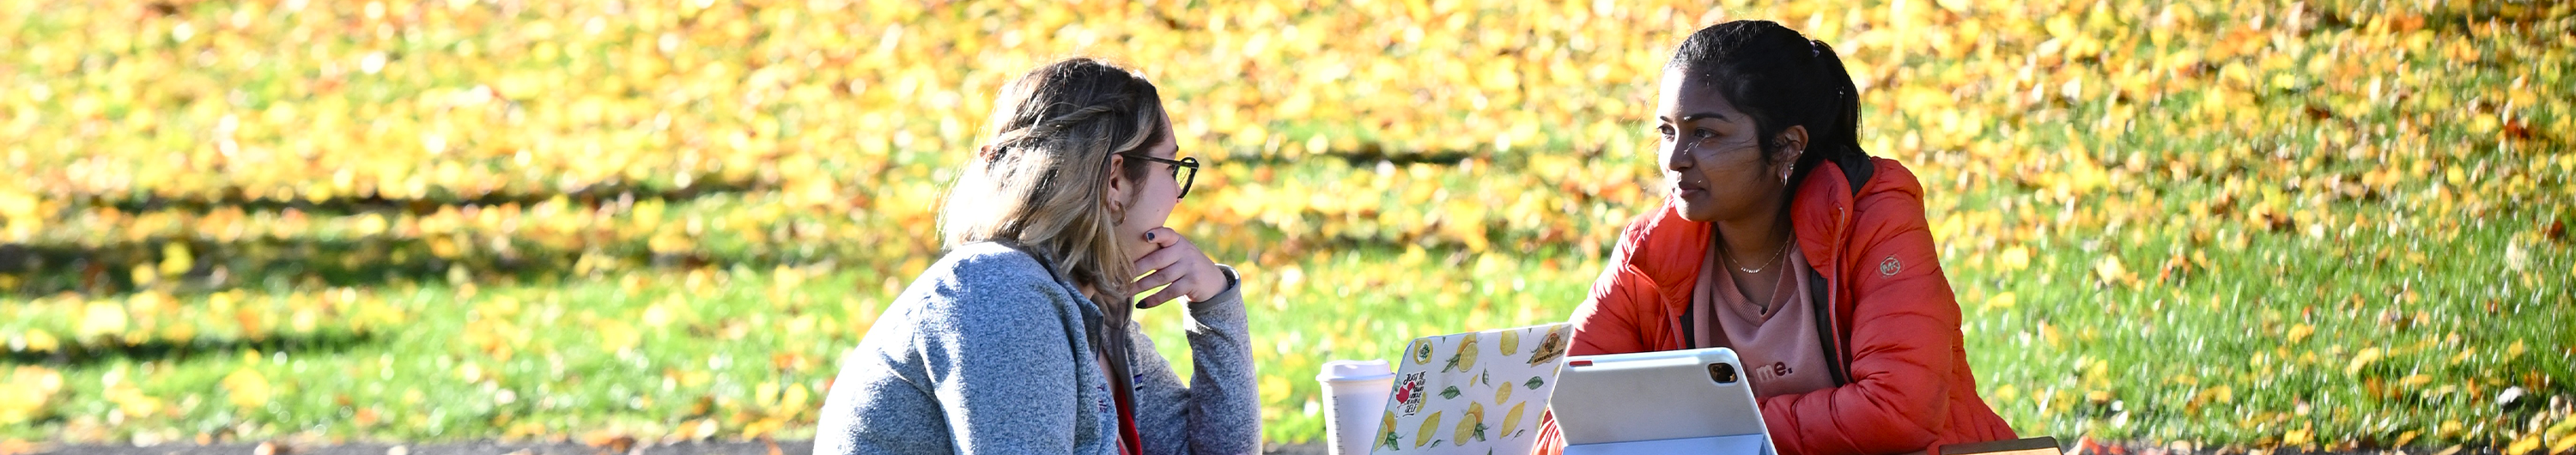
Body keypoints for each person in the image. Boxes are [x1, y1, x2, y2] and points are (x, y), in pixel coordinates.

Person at [1540, 21, 2017, 455]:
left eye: (1705, 133)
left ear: (1787, 146)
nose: (1676, 159)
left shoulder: (1875, 218)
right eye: (1667, 132)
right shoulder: (1647, 254)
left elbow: (1898, 412)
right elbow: (1558, 415)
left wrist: (1710, 432)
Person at [814, 58, 1260, 455]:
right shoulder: (999, 298)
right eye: (1172, 166)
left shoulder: (1094, 317)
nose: (1178, 197)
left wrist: (1214, 304)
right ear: (1116, 180)